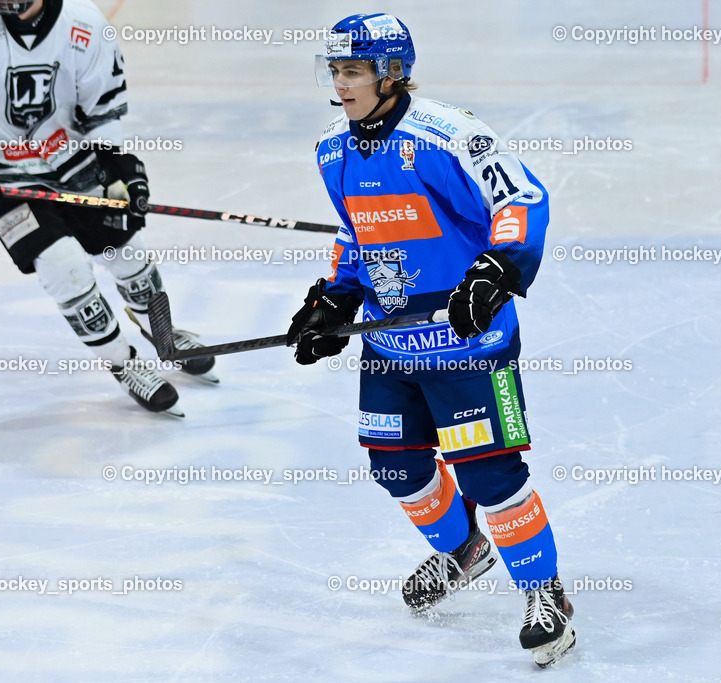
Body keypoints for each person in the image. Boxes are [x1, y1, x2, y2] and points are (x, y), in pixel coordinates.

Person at [287, 13, 575, 667]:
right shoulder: (332, 148)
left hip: (470, 347)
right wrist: (333, 297)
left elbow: (521, 197)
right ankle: (466, 550)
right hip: (391, 346)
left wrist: (500, 266)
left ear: (391, 74)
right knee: (396, 465)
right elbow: (358, 234)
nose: (341, 84)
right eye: (335, 71)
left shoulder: (448, 136)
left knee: (489, 472)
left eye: (353, 71)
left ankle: (545, 593)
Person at [0, 0, 215, 416]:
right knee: (63, 264)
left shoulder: (84, 25)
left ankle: (163, 334)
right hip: (2, 175)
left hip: (71, 158)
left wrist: (119, 169)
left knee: (129, 253)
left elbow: (102, 110)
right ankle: (123, 364)